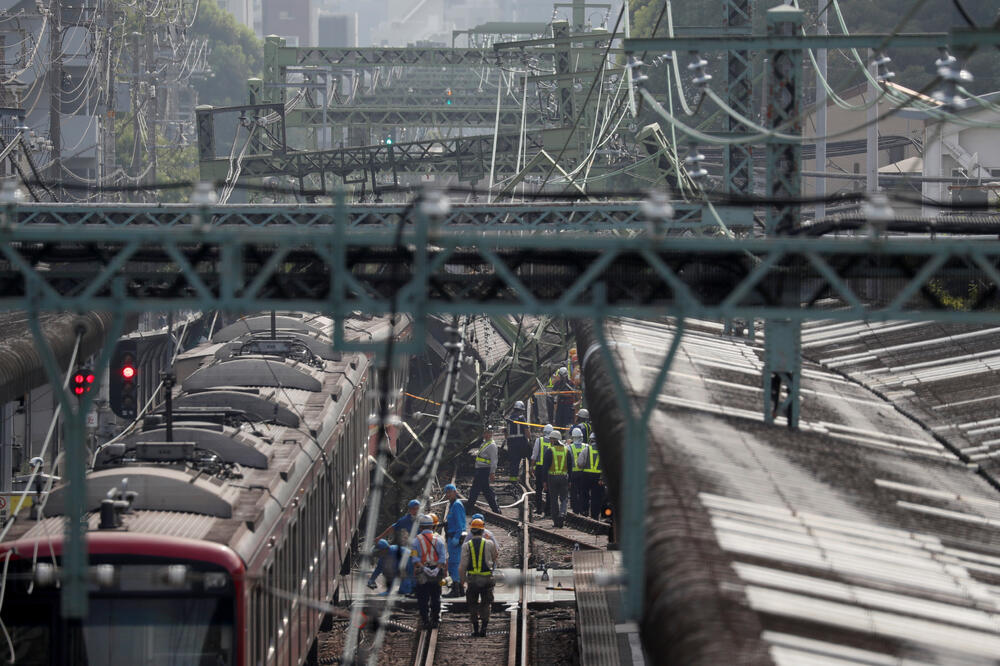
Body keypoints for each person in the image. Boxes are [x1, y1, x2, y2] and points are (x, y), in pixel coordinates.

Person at [459, 518, 498, 637]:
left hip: (472, 580)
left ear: (471, 531)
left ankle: (475, 629)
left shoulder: (466, 546)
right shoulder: (489, 543)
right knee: (486, 603)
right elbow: (495, 557)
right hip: (487, 579)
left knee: (472, 603)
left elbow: (463, 566)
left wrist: (462, 581)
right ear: (482, 531)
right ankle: (484, 629)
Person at [411, 514, 448, 628]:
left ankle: (425, 620)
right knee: (436, 596)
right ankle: (435, 620)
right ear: (432, 526)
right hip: (436, 571)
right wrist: (437, 569)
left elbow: (414, 559)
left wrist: (424, 568)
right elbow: (443, 558)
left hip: (422, 571)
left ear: (421, 527)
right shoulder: (439, 540)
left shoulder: (415, 541)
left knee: (423, 597)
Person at [543, 430, 574, 528]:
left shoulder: (550, 451)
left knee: (553, 499)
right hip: (564, 477)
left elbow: (545, 468)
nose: (550, 441)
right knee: (564, 498)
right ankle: (562, 514)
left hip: (552, 477)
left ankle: (556, 521)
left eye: (550, 439)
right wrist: (570, 480)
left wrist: (544, 481)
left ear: (553, 440)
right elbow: (570, 467)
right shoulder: (566, 450)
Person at [467, 426, 501, 513]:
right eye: (484, 432)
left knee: (475, 490)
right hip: (480, 469)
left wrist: (492, 472)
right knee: (486, 491)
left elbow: (494, 460)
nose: (485, 434)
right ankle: (496, 510)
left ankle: (468, 509)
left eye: (487, 433)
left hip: (484, 470)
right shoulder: (485, 443)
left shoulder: (492, 445)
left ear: (491, 434)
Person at [443, 483, 467, 598]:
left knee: (454, 564)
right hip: (451, 537)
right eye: (446, 493)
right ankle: (460, 590)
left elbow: (461, 524)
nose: (448, 495)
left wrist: (457, 537)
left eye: (449, 492)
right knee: (454, 563)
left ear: (454, 492)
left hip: (454, 538)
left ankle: (455, 589)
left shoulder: (456, 505)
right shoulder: (453, 505)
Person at [576, 433, 605, 519]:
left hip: (586, 476)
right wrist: (602, 478)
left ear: (591, 440)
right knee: (596, 497)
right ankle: (594, 516)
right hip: (598, 477)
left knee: (584, 495)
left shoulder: (586, 450)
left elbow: (580, 463)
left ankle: (584, 512)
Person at [530, 424, 554, 514]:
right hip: (550, 468)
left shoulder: (539, 440)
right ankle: (548, 510)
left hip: (540, 468)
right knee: (549, 489)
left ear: (544, 432)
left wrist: (532, 466)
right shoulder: (554, 441)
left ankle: (539, 509)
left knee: (539, 489)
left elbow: (534, 455)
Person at [505, 401, 530, 482]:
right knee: (528, 456)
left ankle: (513, 479)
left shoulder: (509, 418)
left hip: (511, 443)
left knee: (513, 461)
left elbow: (506, 433)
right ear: (521, 410)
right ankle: (529, 473)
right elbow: (526, 431)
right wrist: (529, 439)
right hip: (520, 442)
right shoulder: (521, 418)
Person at [568, 427, 587, 514]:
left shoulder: (569, 447)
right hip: (584, 472)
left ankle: (575, 510)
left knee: (574, 492)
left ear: (573, 437)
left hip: (573, 473)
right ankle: (583, 509)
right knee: (583, 491)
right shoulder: (586, 446)